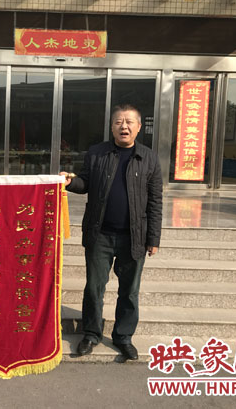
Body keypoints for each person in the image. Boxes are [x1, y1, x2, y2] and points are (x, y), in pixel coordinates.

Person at [61, 104, 162, 360]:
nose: (124, 126)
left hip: (134, 237)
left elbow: (155, 201)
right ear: (112, 126)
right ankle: (91, 334)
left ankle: (123, 337)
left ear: (138, 127)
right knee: (94, 288)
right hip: (100, 235)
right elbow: (85, 182)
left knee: (129, 291)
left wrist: (153, 238)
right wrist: (71, 182)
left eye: (129, 122)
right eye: (118, 122)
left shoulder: (149, 158)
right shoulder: (97, 153)